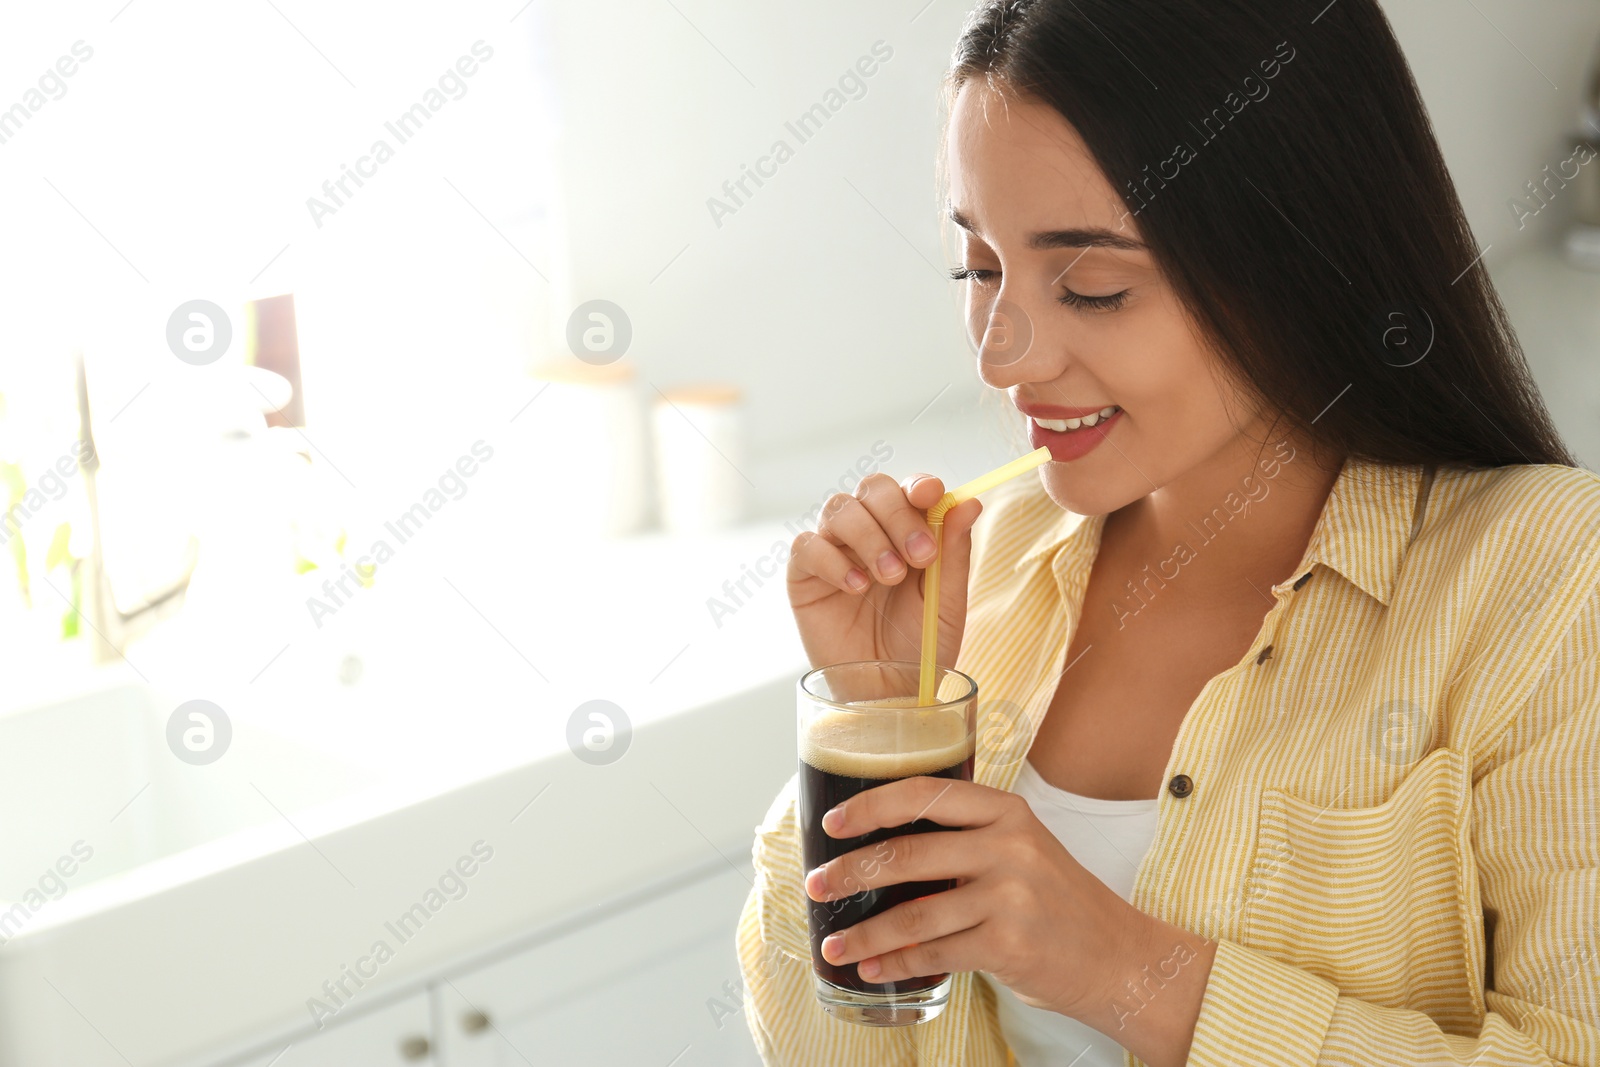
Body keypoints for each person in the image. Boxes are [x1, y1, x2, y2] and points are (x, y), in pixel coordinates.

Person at [734, 1, 1600, 1065]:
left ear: (1297, 258)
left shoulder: (1549, 580)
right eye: (980, 268)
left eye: (1092, 285)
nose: (1003, 358)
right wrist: (875, 720)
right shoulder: (985, 570)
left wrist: (1119, 969)